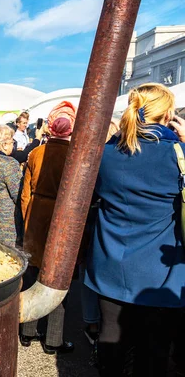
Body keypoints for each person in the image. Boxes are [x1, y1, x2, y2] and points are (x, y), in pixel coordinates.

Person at [85, 83, 185, 376]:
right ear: (168, 115)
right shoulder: (176, 154)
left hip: (110, 260)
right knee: (153, 351)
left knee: (111, 339)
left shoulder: (106, 154)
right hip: (159, 270)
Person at [19, 101, 78, 355]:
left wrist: (28, 219)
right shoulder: (76, 156)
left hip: (37, 214)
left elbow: (24, 194)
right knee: (57, 277)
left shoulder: (36, 153)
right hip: (63, 217)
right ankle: (53, 339)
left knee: (33, 274)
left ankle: (27, 333)